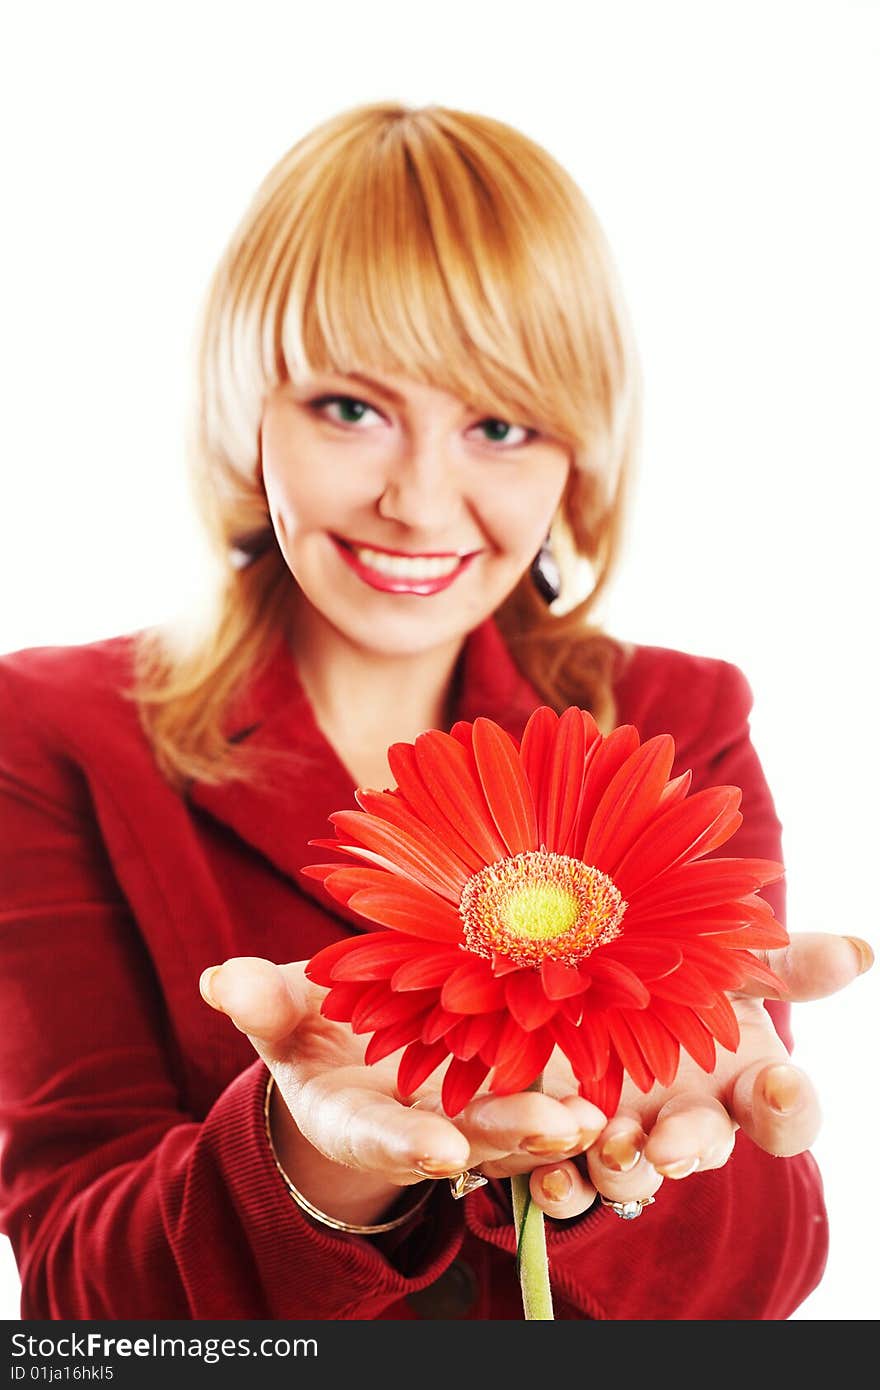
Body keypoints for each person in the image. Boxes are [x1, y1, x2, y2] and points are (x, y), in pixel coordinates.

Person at [0, 101, 872, 1323]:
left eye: (498, 425)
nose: (417, 500)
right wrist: (316, 1162)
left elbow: (755, 1282)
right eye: (350, 409)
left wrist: (628, 1155)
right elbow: (76, 1304)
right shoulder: (55, 732)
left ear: (577, 454)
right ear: (249, 416)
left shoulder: (675, 719)